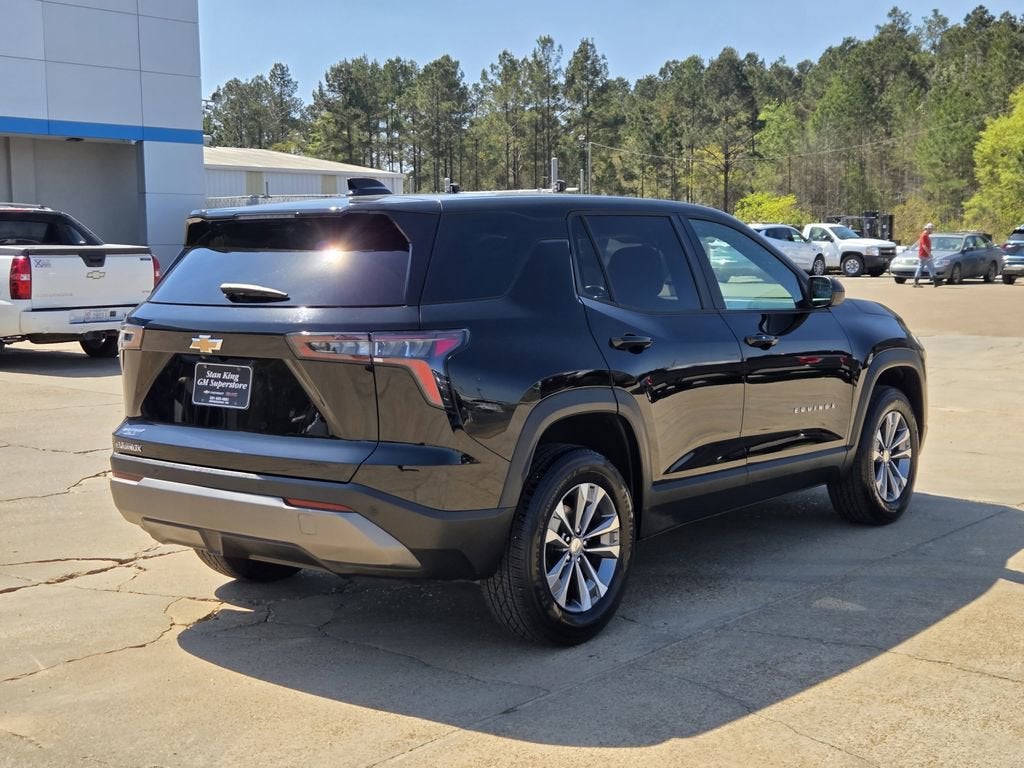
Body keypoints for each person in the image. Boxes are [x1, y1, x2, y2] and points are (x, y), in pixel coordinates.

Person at [913, 222, 938, 287]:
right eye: (932, 229)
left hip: (925, 255)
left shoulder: (925, 235)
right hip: (924, 255)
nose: (932, 230)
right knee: (922, 267)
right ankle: (916, 282)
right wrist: (929, 253)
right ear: (928, 229)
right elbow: (924, 245)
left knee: (930, 267)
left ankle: (935, 282)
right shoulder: (924, 235)